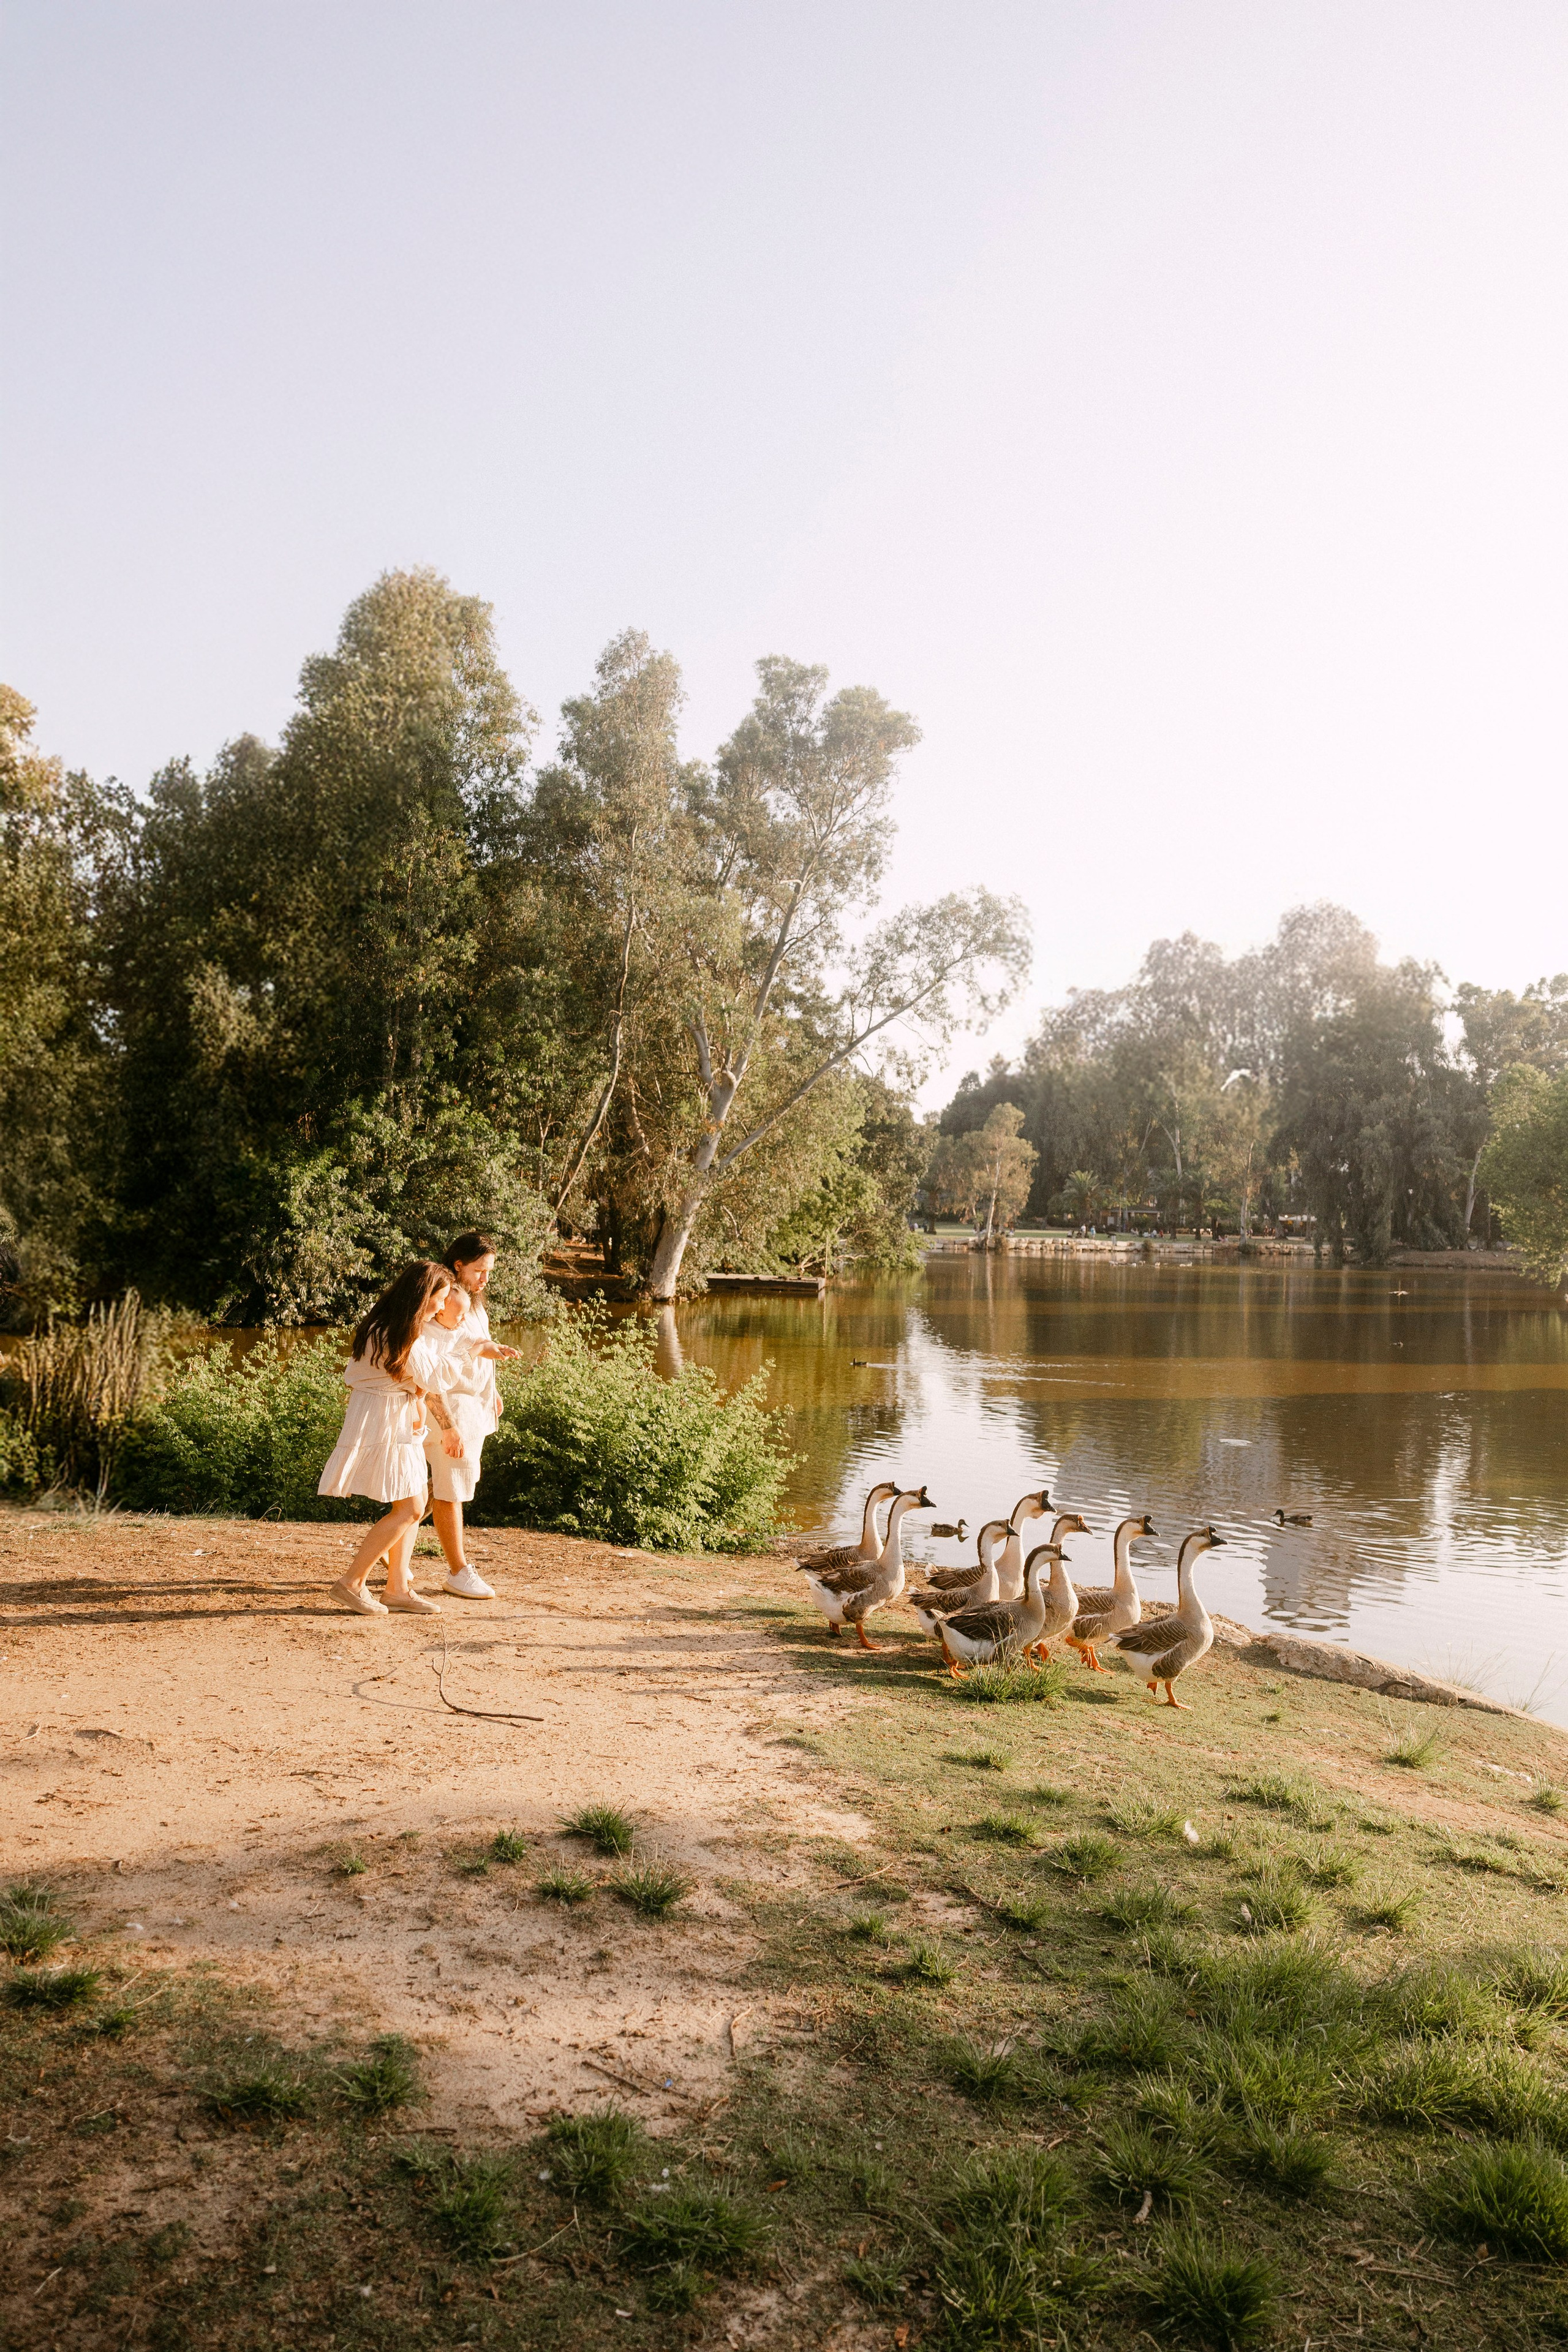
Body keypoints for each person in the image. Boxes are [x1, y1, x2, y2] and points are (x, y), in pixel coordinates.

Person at [318, 1260, 465, 1616]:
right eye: (440, 1298)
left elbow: (419, 1382)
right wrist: (468, 1349)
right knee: (412, 1507)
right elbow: (436, 1378)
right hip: (384, 1420)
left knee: (409, 1508)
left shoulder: (392, 1327)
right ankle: (351, 1583)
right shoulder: (396, 1333)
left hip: (397, 1420)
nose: (443, 1307)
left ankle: (397, 1588)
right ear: (422, 1295)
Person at [423, 1229, 520, 1600]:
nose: (485, 1279)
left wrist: (491, 1391)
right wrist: (448, 1421)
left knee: (439, 1489)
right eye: (480, 1271)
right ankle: (458, 1571)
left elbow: (478, 1347)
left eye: (489, 1271)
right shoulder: (440, 1303)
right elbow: (435, 1360)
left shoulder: (472, 1302)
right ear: (458, 1265)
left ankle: (391, 1546)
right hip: (450, 1404)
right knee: (452, 1488)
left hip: (473, 1402)